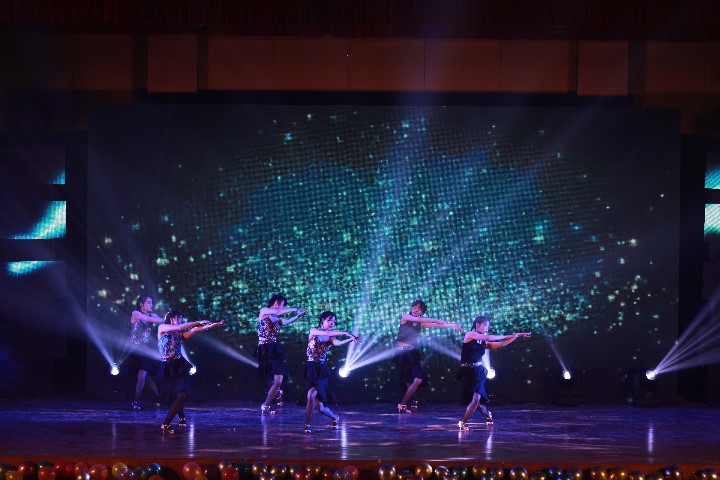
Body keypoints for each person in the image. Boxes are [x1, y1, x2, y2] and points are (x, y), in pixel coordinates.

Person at [456, 315, 530, 431]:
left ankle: (463, 422)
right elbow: (488, 337)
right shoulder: (469, 334)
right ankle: (488, 415)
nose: (487, 328)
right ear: (477, 325)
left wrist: (515, 336)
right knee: (479, 404)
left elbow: (501, 344)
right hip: (467, 372)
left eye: (488, 326)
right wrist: (507, 335)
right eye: (485, 325)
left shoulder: (483, 342)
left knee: (476, 398)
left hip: (478, 372)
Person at [157, 310, 225, 434]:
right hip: (167, 366)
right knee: (175, 395)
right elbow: (180, 327)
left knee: (181, 393)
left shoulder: (179, 334)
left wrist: (213, 325)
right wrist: (198, 322)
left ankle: (166, 423)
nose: (181, 320)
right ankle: (181, 416)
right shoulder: (162, 328)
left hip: (179, 365)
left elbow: (194, 330)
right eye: (180, 317)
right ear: (172, 319)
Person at [394, 299, 463, 413]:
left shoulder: (421, 324)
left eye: (419, 309)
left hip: (412, 353)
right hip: (401, 353)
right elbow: (421, 319)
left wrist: (452, 325)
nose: (416, 310)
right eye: (414, 307)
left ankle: (402, 404)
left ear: (422, 312)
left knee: (418, 379)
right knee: (406, 381)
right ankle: (414, 400)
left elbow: (437, 325)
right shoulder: (405, 317)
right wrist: (436, 319)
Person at [303, 311, 361, 434]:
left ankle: (306, 425)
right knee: (320, 408)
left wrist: (351, 339)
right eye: (329, 320)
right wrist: (346, 332)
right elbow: (327, 333)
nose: (332, 323)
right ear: (322, 320)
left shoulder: (330, 338)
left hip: (321, 370)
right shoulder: (314, 331)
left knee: (311, 395)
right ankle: (335, 417)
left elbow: (338, 343)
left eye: (334, 321)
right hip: (310, 368)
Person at [255, 294, 306, 414]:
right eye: (283, 304)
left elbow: (287, 321)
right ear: (277, 302)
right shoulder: (264, 311)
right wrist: (295, 309)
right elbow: (278, 311)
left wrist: (298, 316)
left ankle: (265, 405)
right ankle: (277, 393)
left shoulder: (277, 318)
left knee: (278, 379)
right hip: (263, 349)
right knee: (268, 379)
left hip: (274, 349)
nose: (283, 307)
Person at [129, 294, 164, 411]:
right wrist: (162, 320)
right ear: (141, 304)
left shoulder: (152, 315)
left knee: (142, 375)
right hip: (135, 350)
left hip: (146, 350)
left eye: (151, 302)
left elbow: (160, 321)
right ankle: (159, 398)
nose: (151, 305)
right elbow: (148, 319)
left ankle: (135, 401)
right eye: (149, 302)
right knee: (147, 378)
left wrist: (172, 322)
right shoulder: (136, 313)